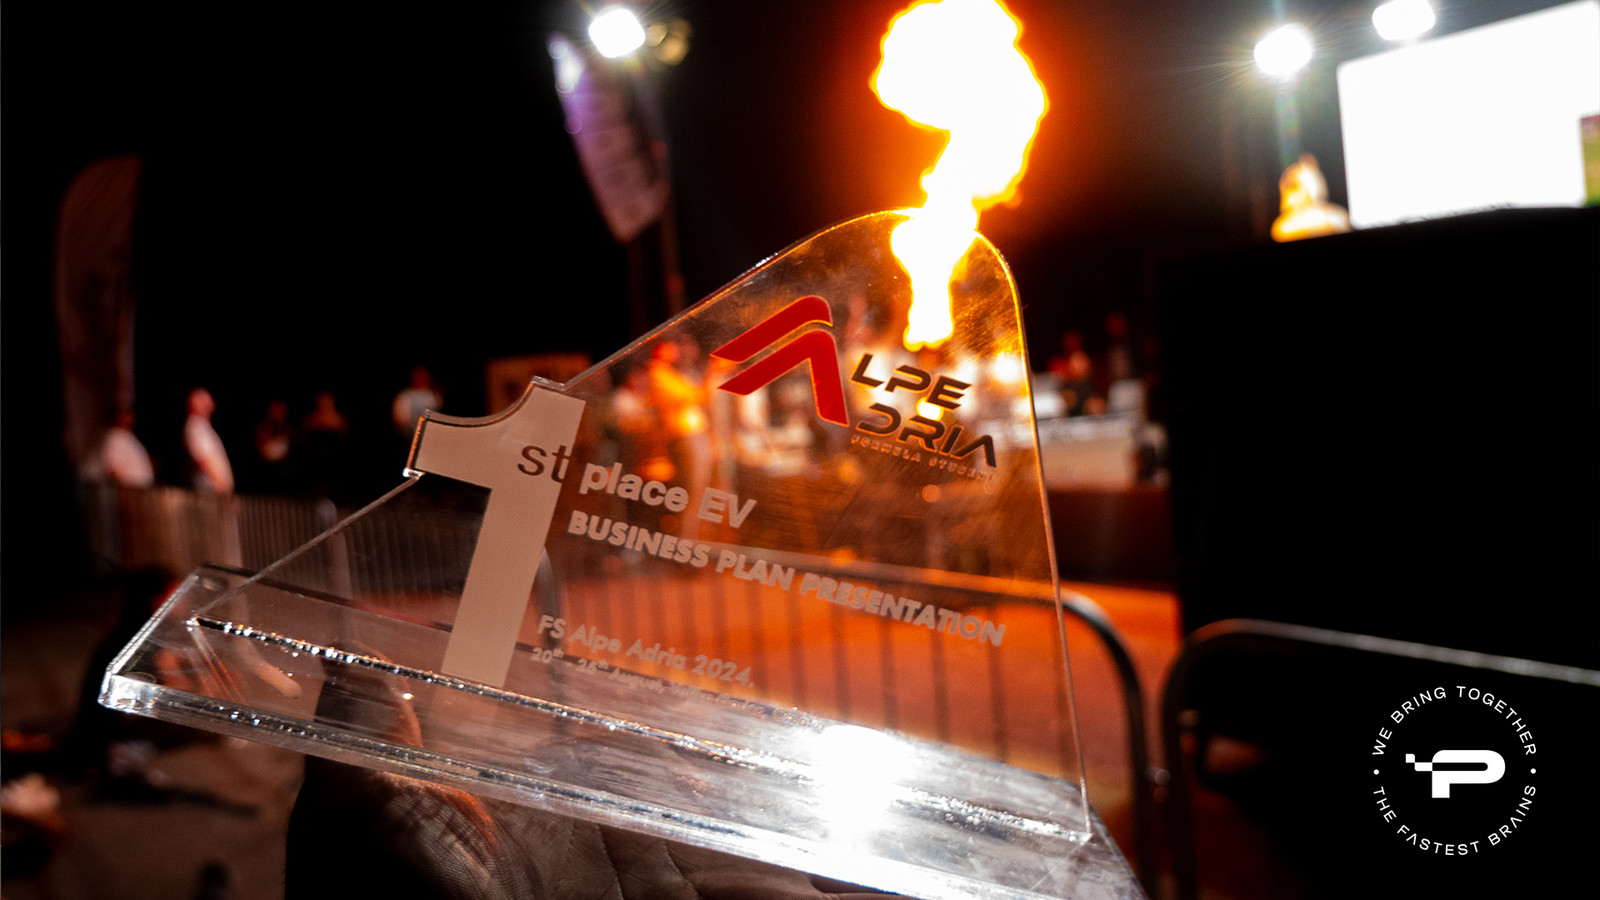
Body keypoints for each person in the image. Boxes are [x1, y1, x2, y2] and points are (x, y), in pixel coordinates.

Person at [79, 410, 154, 488]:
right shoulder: (114, 437)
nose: (128, 420)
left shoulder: (127, 437)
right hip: (126, 489)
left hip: (137, 488)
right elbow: (113, 469)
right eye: (124, 417)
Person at [184, 388, 234, 494]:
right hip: (211, 490)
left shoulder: (202, 426)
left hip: (214, 490)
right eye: (204, 401)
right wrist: (221, 483)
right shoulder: (196, 426)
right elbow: (203, 459)